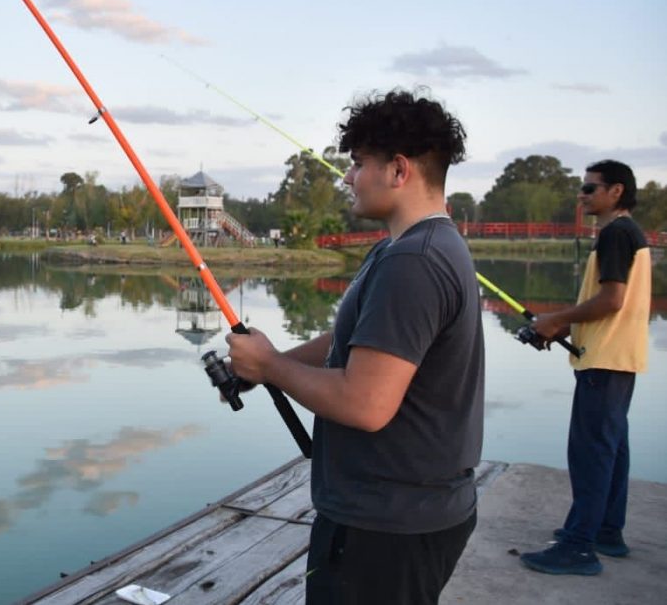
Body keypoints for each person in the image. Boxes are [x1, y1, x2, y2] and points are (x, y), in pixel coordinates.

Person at [226, 89, 484, 605]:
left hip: (387, 528)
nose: (347, 177)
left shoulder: (413, 262)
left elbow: (364, 404)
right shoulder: (415, 246)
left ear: (398, 170)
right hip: (404, 514)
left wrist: (273, 366)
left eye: (358, 163)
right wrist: (265, 364)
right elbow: (358, 343)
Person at [519, 160, 650, 576]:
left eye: (590, 188)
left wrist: (554, 319)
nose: (582, 194)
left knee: (591, 454)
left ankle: (578, 548)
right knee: (612, 450)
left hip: (605, 362)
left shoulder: (615, 233)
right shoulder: (630, 233)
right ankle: (607, 532)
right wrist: (558, 325)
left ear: (615, 192)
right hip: (619, 358)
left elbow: (612, 300)